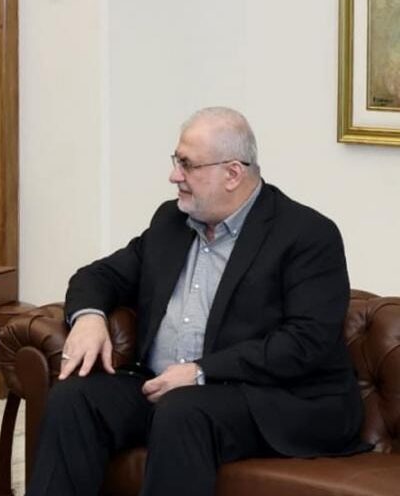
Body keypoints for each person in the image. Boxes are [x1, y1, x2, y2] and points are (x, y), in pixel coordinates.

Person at [26, 107, 366, 496]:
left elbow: (306, 342)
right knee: (75, 398)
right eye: (176, 161)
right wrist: (89, 318)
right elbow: (98, 275)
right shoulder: (171, 222)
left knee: (184, 411)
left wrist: (201, 372)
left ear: (232, 174)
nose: (174, 176)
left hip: (275, 400)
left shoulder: (306, 235)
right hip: (165, 387)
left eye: (187, 164)